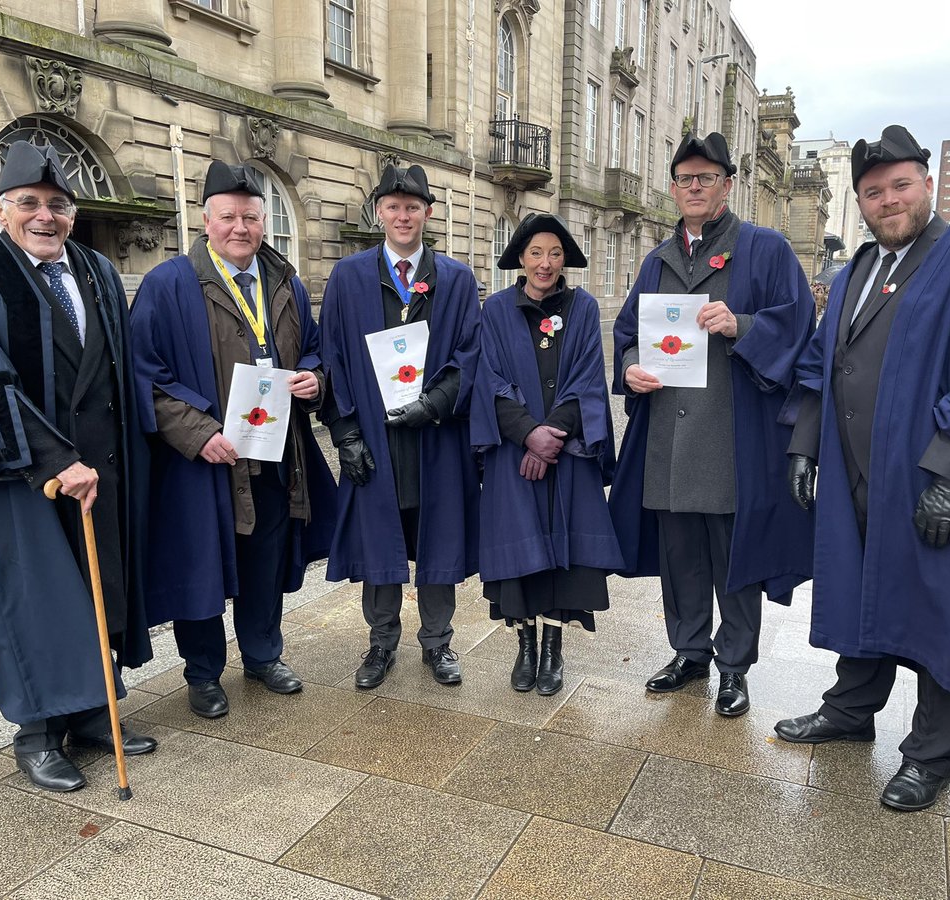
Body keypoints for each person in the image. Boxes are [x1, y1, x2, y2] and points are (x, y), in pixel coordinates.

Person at [777, 125, 950, 811]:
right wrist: (805, 444)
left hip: (934, 481)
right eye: (873, 192)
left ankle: (930, 755)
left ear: (927, 183)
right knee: (862, 586)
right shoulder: (855, 272)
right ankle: (851, 709)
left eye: (900, 185)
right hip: (857, 472)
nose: (888, 200)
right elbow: (824, 367)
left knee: (943, 610)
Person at [0, 141, 156, 792]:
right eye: (29, 204)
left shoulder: (97, 271)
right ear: (0, 210)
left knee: (95, 588)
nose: (45, 216)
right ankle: (39, 734)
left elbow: (114, 369)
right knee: (33, 598)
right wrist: (53, 459)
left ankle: (94, 715)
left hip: (101, 467)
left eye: (58, 205)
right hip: (19, 470)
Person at [610, 132, 816, 716]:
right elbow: (629, 334)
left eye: (706, 178)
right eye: (684, 179)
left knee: (734, 556)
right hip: (669, 436)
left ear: (727, 184)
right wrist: (630, 369)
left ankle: (734, 665)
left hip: (731, 436)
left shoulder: (766, 250)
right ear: (673, 188)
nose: (694, 188)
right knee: (681, 555)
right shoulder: (658, 259)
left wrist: (742, 326)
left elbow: (799, 328)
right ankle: (689, 650)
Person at [130, 160, 336, 719]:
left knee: (264, 559)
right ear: (205, 220)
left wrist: (315, 377)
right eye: (228, 216)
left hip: (272, 451)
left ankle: (264, 655)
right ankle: (202, 674)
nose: (239, 227)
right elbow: (143, 377)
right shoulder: (167, 284)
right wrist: (199, 433)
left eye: (250, 216)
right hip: (205, 460)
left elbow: (313, 349)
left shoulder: (286, 282)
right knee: (201, 563)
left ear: (263, 222)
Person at [318, 162, 480, 689]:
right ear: (379, 213)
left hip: (435, 436)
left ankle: (438, 642)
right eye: (393, 206)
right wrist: (345, 435)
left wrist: (433, 404)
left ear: (428, 213)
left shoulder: (454, 280)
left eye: (413, 207)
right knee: (379, 543)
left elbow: (470, 356)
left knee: (439, 539)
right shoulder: (348, 277)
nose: (403, 215)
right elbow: (333, 356)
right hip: (374, 435)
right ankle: (381, 643)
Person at [472, 214, 623, 695]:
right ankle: (525, 646)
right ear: (520, 257)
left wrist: (551, 433)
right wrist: (526, 434)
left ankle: (554, 650)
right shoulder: (495, 310)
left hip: (567, 450)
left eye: (554, 253)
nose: (545, 263)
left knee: (563, 553)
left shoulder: (582, 308)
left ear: (565, 261)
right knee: (522, 548)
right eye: (535, 253)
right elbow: (488, 380)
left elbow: (587, 378)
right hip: (514, 454)